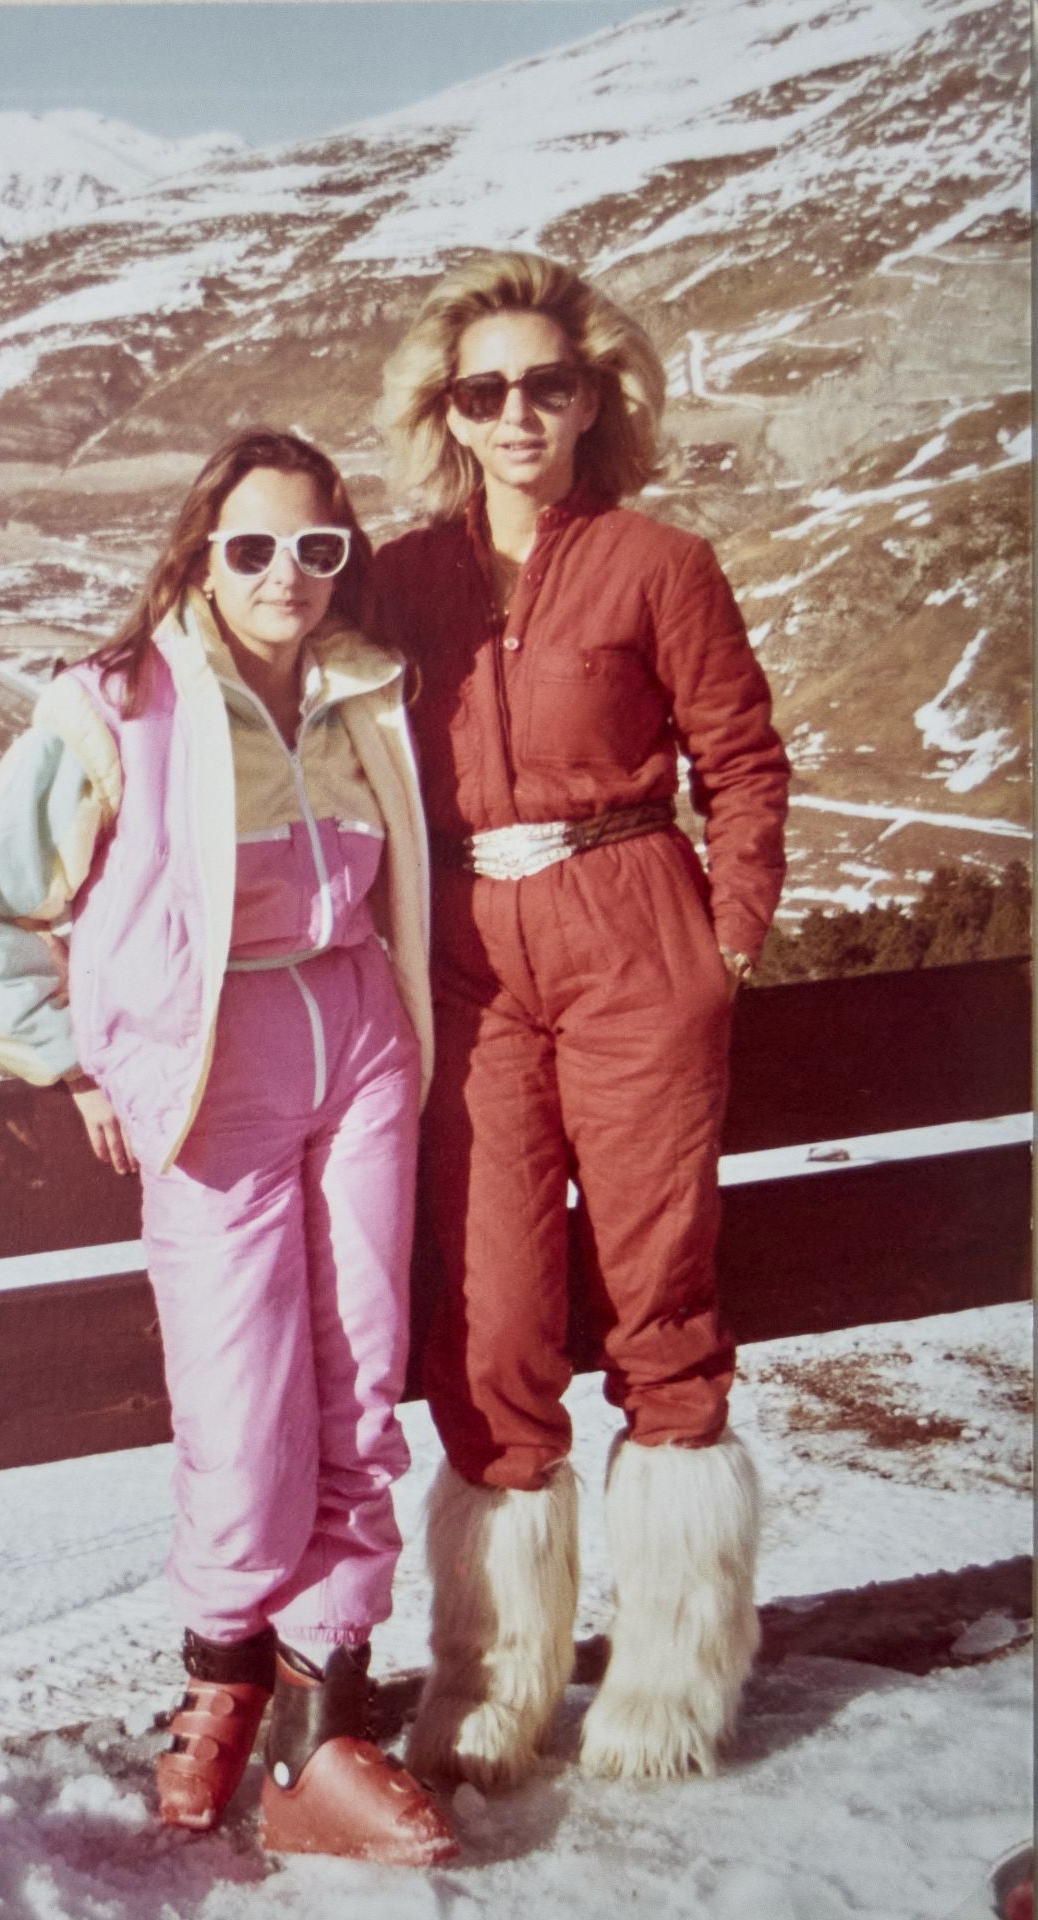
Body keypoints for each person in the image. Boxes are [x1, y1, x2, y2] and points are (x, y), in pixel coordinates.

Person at [0, 428, 456, 1865]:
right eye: (254, 547)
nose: (289, 575)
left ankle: (324, 1713)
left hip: (357, 1043)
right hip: (215, 1070)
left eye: (319, 547)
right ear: (201, 556)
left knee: (362, 1367)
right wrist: (72, 1054)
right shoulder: (122, 707)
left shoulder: (365, 693)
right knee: (242, 1395)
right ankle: (223, 1671)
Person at [372, 253, 790, 1788]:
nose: (519, 413)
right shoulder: (400, 578)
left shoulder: (659, 563)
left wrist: (722, 942)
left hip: (632, 940)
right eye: (485, 390)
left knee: (661, 1300)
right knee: (489, 1322)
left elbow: (743, 764)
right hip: (475, 962)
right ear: (449, 414)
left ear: (594, 396)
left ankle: (673, 1687)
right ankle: (490, 1688)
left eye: (549, 383)